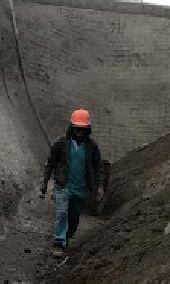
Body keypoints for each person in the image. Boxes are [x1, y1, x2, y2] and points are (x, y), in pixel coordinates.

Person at [40, 108, 105, 253]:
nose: (79, 132)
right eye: (77, 128)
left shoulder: (92, 147)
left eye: (82, 129)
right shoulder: (61, 144)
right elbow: (50, 163)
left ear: (87, 129)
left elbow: (99, 168)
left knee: (74, 218)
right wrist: (44, 184)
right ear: (72, 127)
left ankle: (67, 236)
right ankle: (59, 242)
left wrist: (100, 187)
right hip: (63, 186)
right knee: (62, 213)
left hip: (80, 188)